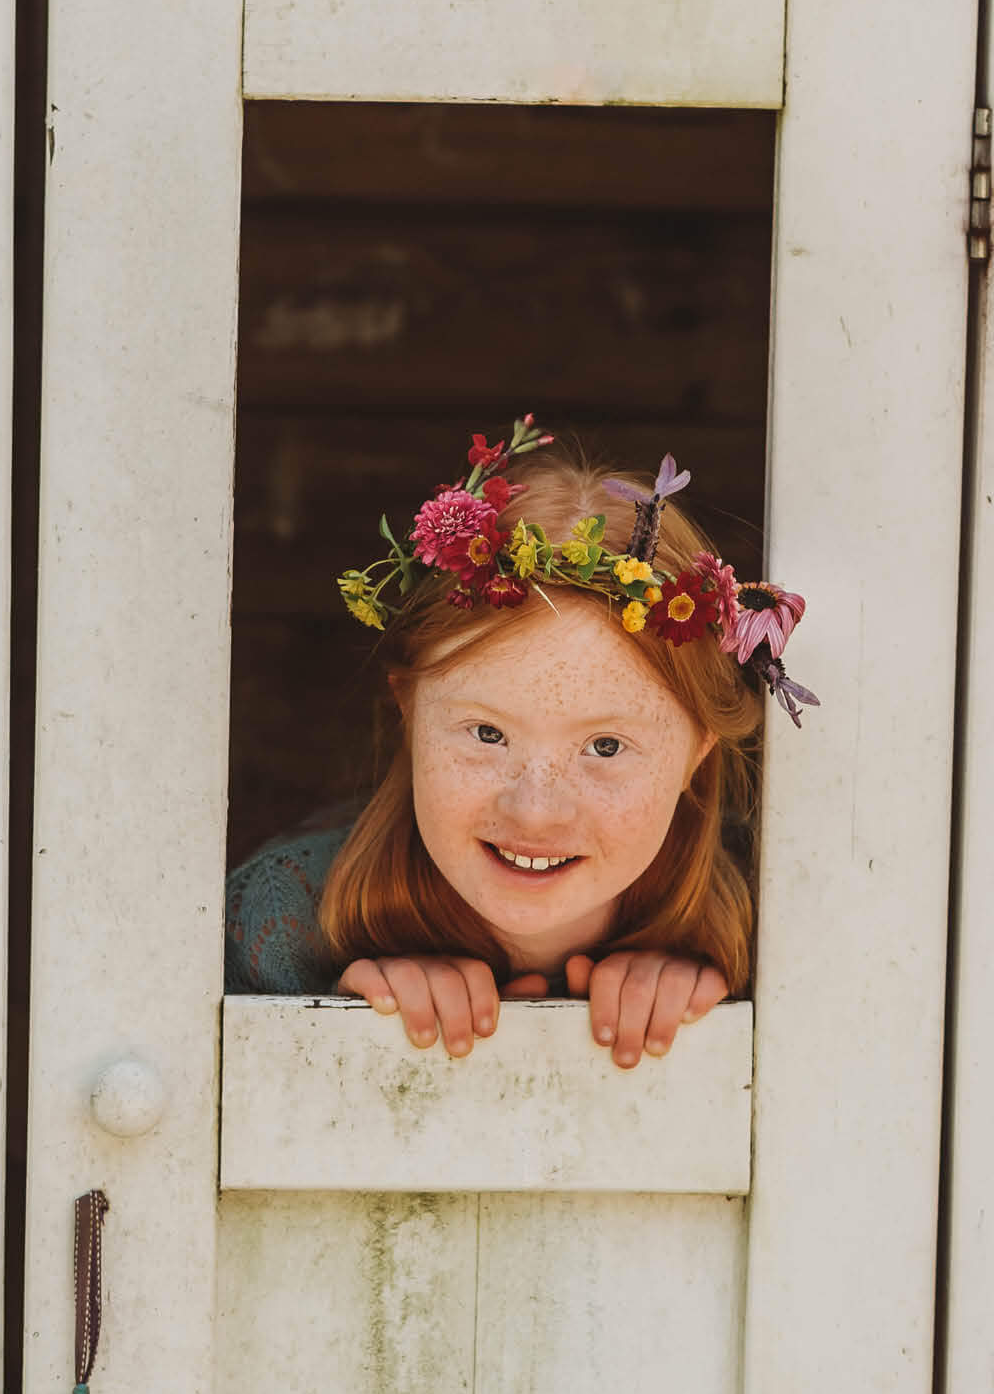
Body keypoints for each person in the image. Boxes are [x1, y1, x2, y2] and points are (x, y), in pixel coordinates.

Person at [225, 416, 815, 1067]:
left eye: (606, 747)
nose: (535, 811)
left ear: (695, 757)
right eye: (487, 733)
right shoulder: (282, 922)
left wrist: (709, 995)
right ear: (409, 714)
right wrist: (351, 1023)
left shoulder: (790, 927)